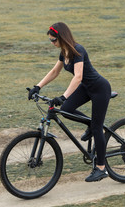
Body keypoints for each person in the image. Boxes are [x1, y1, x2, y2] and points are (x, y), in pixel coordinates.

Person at [28, 22, 111, 182]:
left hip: (100, 89)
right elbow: (54, 71)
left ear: (62, 38)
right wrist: (37, 86)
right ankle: (91, 126)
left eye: (53, 40)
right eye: (50, 40)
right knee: (66, 109)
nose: (52, 43)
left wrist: (64, 95)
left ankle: (101, 168)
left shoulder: (78, 50)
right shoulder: (63, 52)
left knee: (97, 127)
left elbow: (78, 76)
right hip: (86, 88)